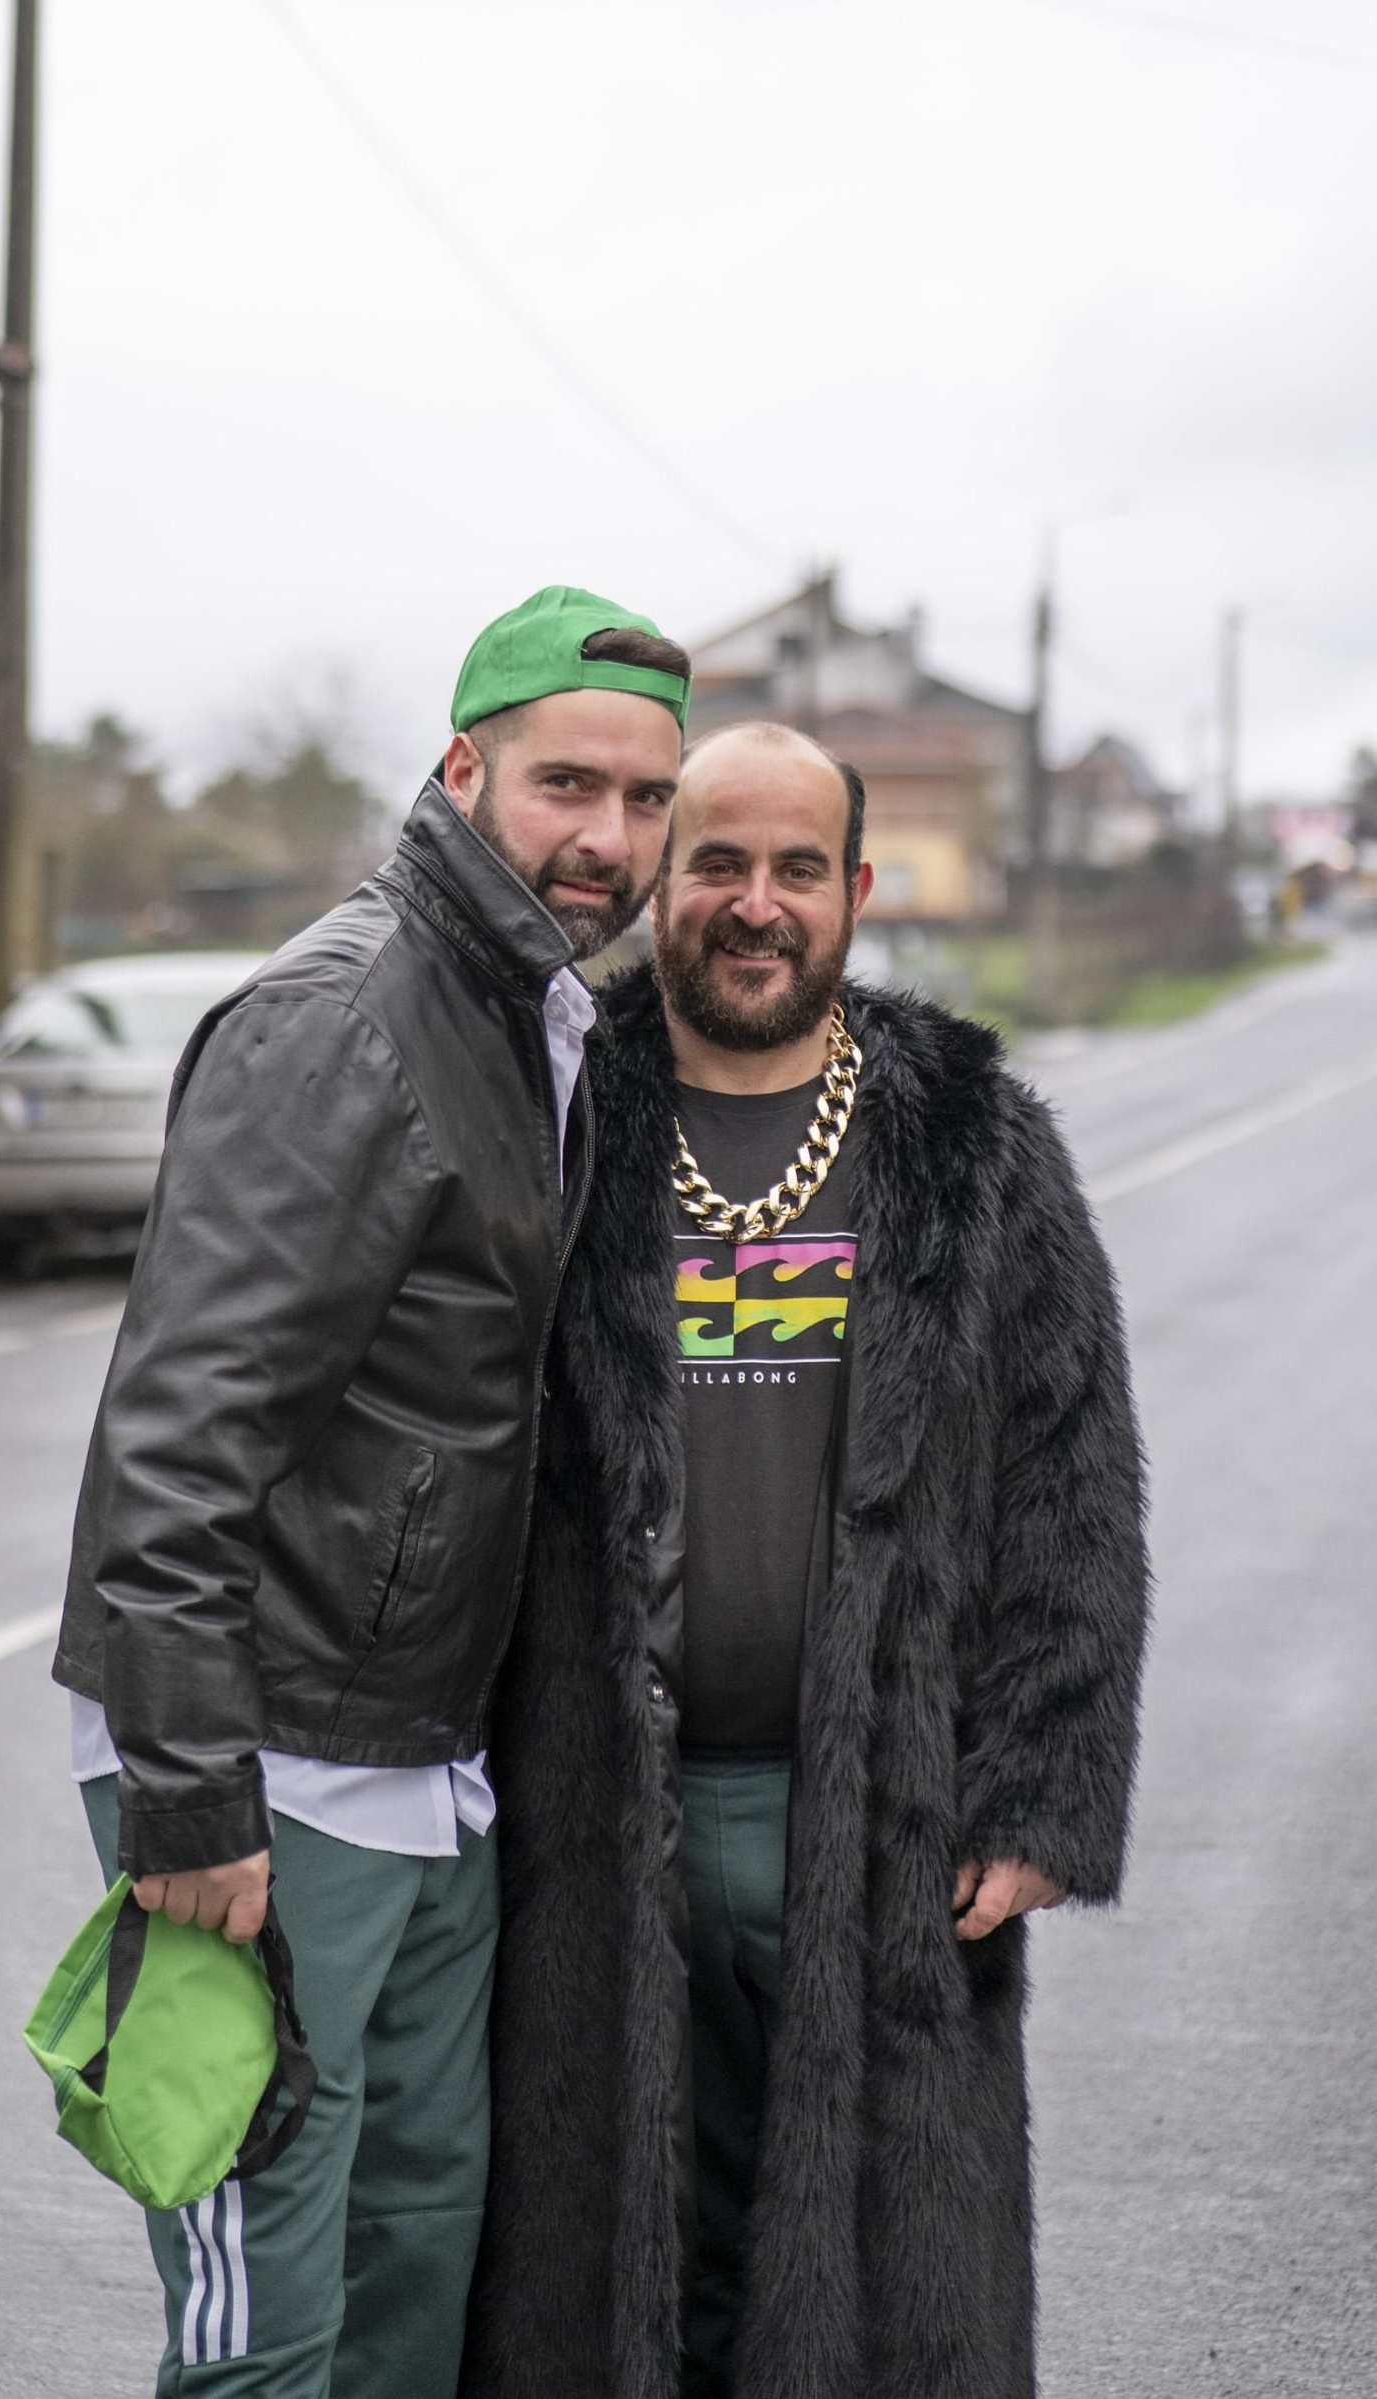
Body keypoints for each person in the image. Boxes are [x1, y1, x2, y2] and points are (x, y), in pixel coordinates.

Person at [52, 586, 690, 2399]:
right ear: (464, 764)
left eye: (648, 799)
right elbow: (178, 1430)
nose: (610, 838)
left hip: (416, 1746)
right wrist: (190, 1798)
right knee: (267, 2310)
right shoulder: (351, 1012)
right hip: (258, 1751)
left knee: (421, 2242)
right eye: (571, 783)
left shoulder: (525, 1006)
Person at [463, 721, 1150, 2399]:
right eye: (716, 862)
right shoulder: (549, 1118)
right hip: (590, 1817)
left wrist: (1046, 1792)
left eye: (793, 869)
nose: (753, 903)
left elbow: (1075, 1482)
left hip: (883, 1823)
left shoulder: (976, 1138)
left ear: (851, 890)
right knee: (616, 2279)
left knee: (877, 2296)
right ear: (659, 884)